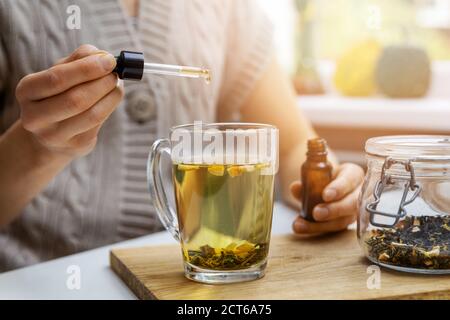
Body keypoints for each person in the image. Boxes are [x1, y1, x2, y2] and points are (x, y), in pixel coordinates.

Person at [0, 0, 364, 272]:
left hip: (194, 281)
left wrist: (330, 187)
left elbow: (291, 145)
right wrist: (38, 148)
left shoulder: (225, 9)